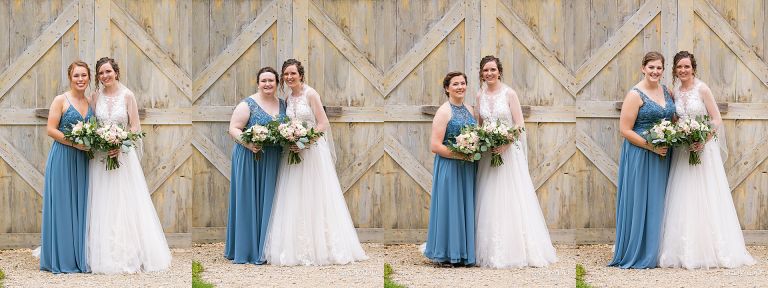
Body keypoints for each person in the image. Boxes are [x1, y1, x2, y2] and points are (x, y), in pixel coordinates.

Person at [262, 59, 367, 266]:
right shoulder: (287, 97)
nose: (289, 77)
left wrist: (304, 140)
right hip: (292, 152)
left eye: (293, 73)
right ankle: (293, 247)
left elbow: (323, 123)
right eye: (286, 74)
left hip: (312, 151)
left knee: (316, 195)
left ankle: (324, 247)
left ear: (301, 75)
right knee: (293, 195)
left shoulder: (311, 94)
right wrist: (290, 138)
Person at [658, 51, 755, 269]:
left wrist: (702, 140)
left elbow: (716, 119)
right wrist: (676, 133)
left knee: (707, 194)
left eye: (687, 67)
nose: (683, 70)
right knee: (683, 195)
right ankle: (683, 249)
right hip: (683, 150)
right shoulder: (674, 93)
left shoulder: (702, 89)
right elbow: (675, 119)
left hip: (703, 148)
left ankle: (714, 248)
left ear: (693, 68)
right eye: (679, 67)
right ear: (674, 70)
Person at [86, 57, 172, 273]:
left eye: (108, 71)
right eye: (101, 73)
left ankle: (131, 252)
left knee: (126, 201)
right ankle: (103, 251)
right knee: (103, 200)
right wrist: (102, 140)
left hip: (123, 156)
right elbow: (91, 125)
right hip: (101, 156)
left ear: (116, 72)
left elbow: (134, 127)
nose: (105, 76)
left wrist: (120, 142)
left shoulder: (127, 95)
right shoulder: (95, 97)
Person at [473, 56, 557, 268]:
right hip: (488, 154)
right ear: (481, 74)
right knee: (488, 196)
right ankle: (487, 247)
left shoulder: (509, 94)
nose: (489, 73)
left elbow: (519, 125)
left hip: (509, 153)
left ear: (499, 71)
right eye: (485, 70)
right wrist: (486, 140)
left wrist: (505, 143)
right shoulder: (479, 94)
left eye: (492, 69)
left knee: (511, 196)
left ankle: (517, 248)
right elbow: (479, 125)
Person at [609, 51, 676, 269]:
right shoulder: (635, 95)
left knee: (660, 200)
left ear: (663, 70)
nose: (655, 71)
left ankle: (658, 249)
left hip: (664, 154)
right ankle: (639, 250)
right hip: (640, 153)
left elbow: (675, 116)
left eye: (659, 68)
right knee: (640, 200)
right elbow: (624, 130)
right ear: (643, 68)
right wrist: (651, 146)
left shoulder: (667, 91)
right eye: (651, 67)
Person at [225, 66, 286, 264]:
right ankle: (247, 249)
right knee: (248, 201)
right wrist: (249, 143)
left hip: (273, 158)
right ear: (258, 83)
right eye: (264, 81)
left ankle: (267, 248)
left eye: (271, 80)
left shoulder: (284, 105)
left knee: (272, 201)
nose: (267, 84)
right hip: (249, 156)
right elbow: (233, 128)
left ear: (277, 83)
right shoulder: (248, 104)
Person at [39, 60, 94, 273]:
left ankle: (77, 255)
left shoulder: (90, 102)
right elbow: (51, 129)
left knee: (79, 206)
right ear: (70, 78)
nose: (80, 79)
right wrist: (75, 143)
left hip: (82, 160)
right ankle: (61, 259)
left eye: (84, 75)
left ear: (89, 78)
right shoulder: (60, 100)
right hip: (62, 157)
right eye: (76, 76)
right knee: (62, 206)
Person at [422, 71, 478, 267]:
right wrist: (460, 154)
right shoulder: (444, 111)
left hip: (468, 167)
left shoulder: (470, 109)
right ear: (447, 88)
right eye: (455, 84)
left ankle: (464, 253)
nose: (460, 87)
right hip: (449, 165)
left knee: (465, 207)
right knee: (450, 207)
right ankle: (447, 253)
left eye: (463, 83)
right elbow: (435, 146)